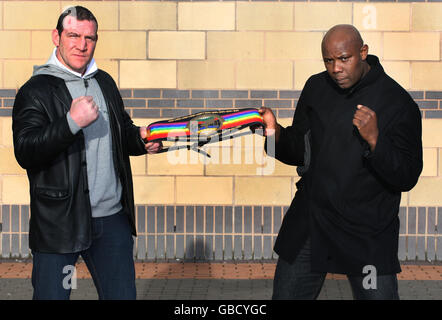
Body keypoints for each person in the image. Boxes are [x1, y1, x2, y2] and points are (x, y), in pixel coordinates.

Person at [259, 24, 422, 300]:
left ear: (363, 52)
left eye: (344, 59)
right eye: (329, 60)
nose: (336, 68)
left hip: (366, 233)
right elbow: (300, 150)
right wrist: (275, 134)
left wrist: (375, 141)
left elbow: (406, 176)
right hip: (311, 224)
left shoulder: (397, 103)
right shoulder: (316, 87)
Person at [12, 6, 161, 300]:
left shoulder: (103, 81)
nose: (82, 45)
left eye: (89, 38)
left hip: (111, 220)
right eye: (73, 35)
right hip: (59, 225)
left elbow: (122, 132)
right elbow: (26, 151)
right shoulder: (35, 90)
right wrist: (71, 122)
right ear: (57, 37)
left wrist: (141, 139)